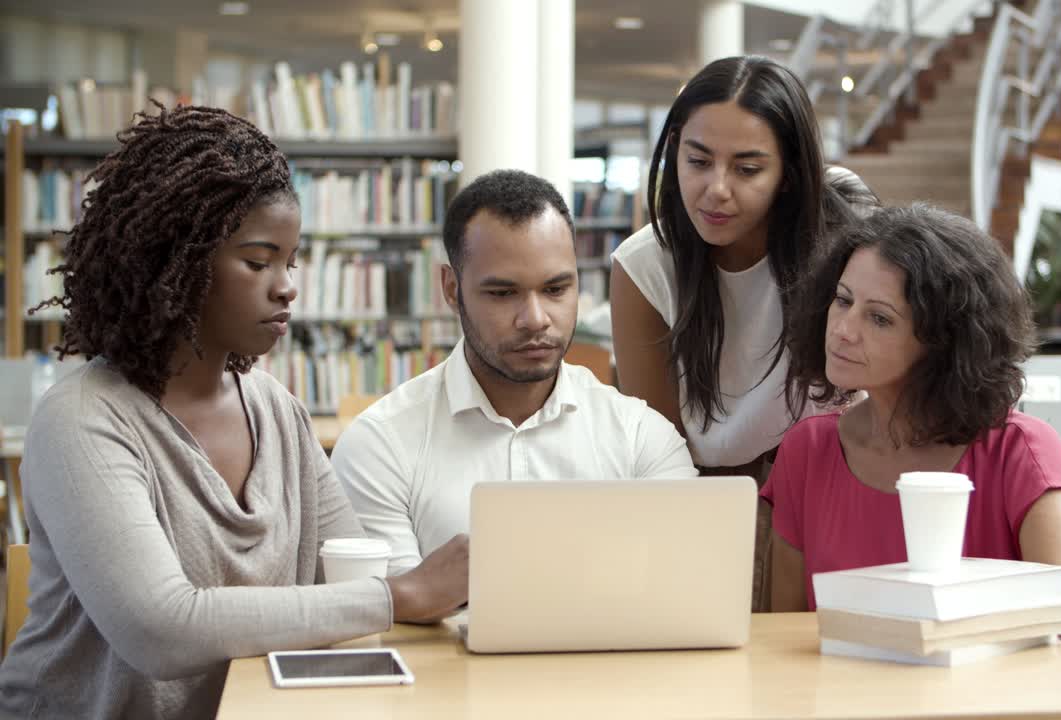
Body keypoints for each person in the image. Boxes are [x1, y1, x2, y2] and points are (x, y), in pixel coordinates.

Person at [0, 106, 466, 720]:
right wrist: (401, 594)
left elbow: (353, 573)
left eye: (291, 261)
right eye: (257, 261)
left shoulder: (276, 409)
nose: (287, 286)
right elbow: (162, 630)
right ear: (175, 261)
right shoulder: (83, 421)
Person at [331, 169, 696, 578]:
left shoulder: (641, 437)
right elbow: (390, 617)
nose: (535, 319)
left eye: (556, 289)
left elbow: (682, 588)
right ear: (452, 289)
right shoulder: (379, 446)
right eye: (503, 294)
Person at [762, 204, 1061, 637]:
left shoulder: (1018, 448)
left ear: (944, 342)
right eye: (842, 300)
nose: (843, 328)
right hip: (844, 698)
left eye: (879, 318)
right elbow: (782, 629)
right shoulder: (807, 451)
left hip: (982, 699)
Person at [611, 55, 869, 611]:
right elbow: (659, 447)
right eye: (698, 161)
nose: (715, 190)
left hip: (834, 487)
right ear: (674, 147)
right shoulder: (644, 266)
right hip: (702, 502)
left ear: (789, 174)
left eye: (747, 169)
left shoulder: (840, 250)